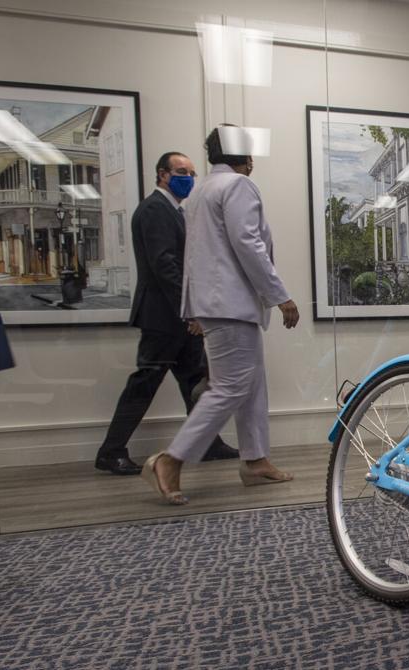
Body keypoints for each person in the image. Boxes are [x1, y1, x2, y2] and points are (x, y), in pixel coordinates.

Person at [142, 126, 299, 505]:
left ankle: (255, 459)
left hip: (216, 304)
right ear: (244, 158)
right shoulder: (238, 187)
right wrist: (280, 296)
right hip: (231, 304)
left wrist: (193, 308)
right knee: (230, 386)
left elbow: (196, 255)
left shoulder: (200, 192)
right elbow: (249, 243)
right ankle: (170, 459)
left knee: (251, 383)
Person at [94, 151, 238, 475]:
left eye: (191, 172)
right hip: (163, 316)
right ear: (162, 175)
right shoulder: (155, 210)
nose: (188, 177)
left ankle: (208, 443)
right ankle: (111, 451)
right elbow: (165, 266)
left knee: (194, 379)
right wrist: (191, 311)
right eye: (180, 171)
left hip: (178, 316)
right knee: (145, 382)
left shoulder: (173, 210)